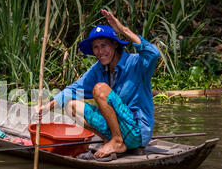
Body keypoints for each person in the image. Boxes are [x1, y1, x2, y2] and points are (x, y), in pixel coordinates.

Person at [35, 9, 160, 159]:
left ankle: (117, 141)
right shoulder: (98, 69)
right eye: (96, 47)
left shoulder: (135, 64)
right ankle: (110, 140)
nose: (100, 52)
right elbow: (73, 90)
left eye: (104, 45)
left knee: (100, 89)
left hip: (136, 132)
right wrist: (47, 106)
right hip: (116, 129)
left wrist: (122, 29)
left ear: (114, 45)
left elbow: (153, 53)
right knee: (71, 106)